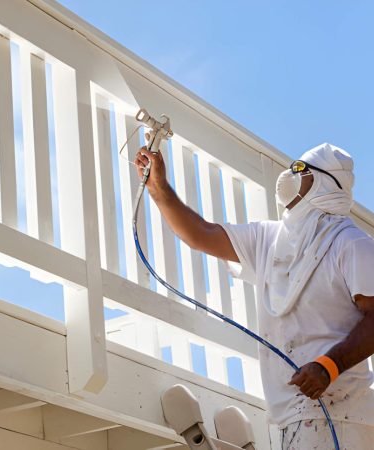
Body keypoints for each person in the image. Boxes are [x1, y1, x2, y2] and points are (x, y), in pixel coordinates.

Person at [135, 142, 374, 448]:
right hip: (290, 416)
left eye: (300, 169)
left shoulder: (351, 244)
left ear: (325, 181)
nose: (290, 174)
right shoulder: (268, 238)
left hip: (344, 416)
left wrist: (329, 366)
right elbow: (199, 234)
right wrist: (159, 187)